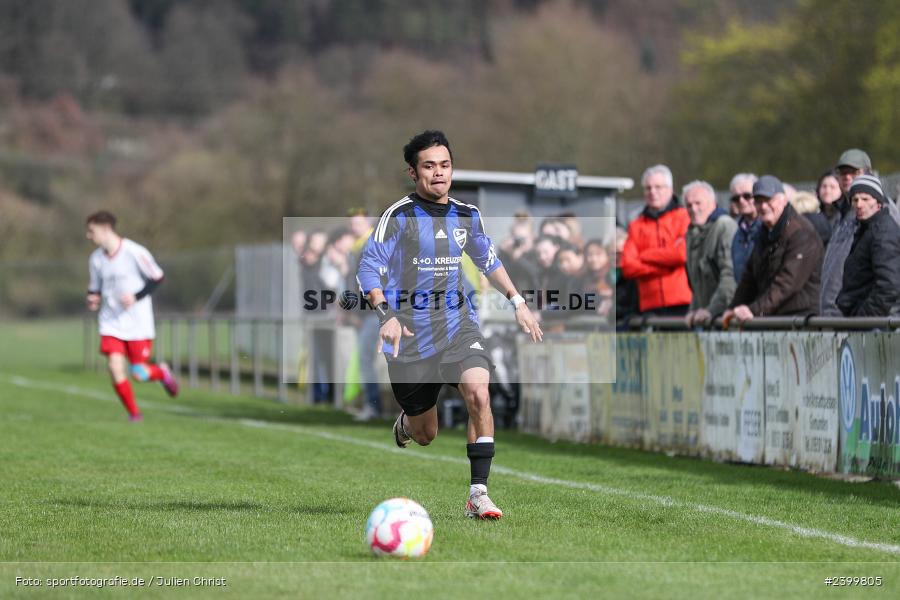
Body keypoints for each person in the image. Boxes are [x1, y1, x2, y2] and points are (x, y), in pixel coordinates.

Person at [357, 130, 542, 520]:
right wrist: (385, 315)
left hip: (459, 326)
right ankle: (407, 424)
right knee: (427, 434)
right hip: (409, 336)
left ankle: (479, 494)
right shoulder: (398, 217)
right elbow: (368, 269)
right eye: (429, 166)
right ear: (413, 172)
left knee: (479, 393)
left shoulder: (467, 215)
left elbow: (488, 261)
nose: (438, 173)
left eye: (444, 165)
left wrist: (518, 302)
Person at [85, 211, 178, 421]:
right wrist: (93, 298)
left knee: (139, 373)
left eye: (92, 231)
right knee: (114, 367)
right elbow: (95, 287)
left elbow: (158, 277)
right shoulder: (96, 259)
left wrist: (136, 296)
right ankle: (135, 414)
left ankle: (162, 374)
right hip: (110, 322)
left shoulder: (134, 251)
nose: (89, 236)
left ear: (106, 229)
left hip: (138, 323)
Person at [723, 175, 823, 325]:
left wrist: (754, 310)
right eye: (758, 201)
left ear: (783, 200)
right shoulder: (763, 233)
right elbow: (749, 277)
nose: (763, 206)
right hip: (775, 320)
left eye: (769, 200)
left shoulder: (801, 233)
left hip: (801, 322)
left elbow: (787, 283)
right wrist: (733, 308)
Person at [820, 149, 900, 315]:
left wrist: (861, 318)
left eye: (854, 172)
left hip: (869, 325)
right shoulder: (841, 213)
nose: (847, 177)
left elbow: (889, 283)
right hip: (837, 316)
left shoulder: (883, 216)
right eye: (843, 173)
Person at [621, 164, 692, 316]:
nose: (653, 192)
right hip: (649, 306)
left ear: (670, 189)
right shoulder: (636, 225)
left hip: (682, 303)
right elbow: (628, 266)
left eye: (658, 187)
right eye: (648, 188)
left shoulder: (684, 217)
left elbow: (681, 254)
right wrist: (664, 267)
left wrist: (645, 255)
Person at [835, 175, 900, 316]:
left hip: (874, 326)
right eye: (855, 199)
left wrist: (862, 318)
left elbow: (888, 286)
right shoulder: (865, 229)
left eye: (865, 199)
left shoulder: (883, 232)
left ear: (878, 203)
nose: (859, 204)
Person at [682, 181, 737, 327]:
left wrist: (710, 311)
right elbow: (697, 285)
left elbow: (730, 277)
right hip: (707, 319)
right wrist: (693, 311)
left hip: (725, 318)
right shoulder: (691, 234)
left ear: (712, 203)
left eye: (698, 203)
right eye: (689, 205)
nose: (693, 209)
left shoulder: (724, 226)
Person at [728, 173, 760, 285]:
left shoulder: (768, 228)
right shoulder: (736, 233)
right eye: (736, 198)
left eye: (747, 196)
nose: (741, 201)